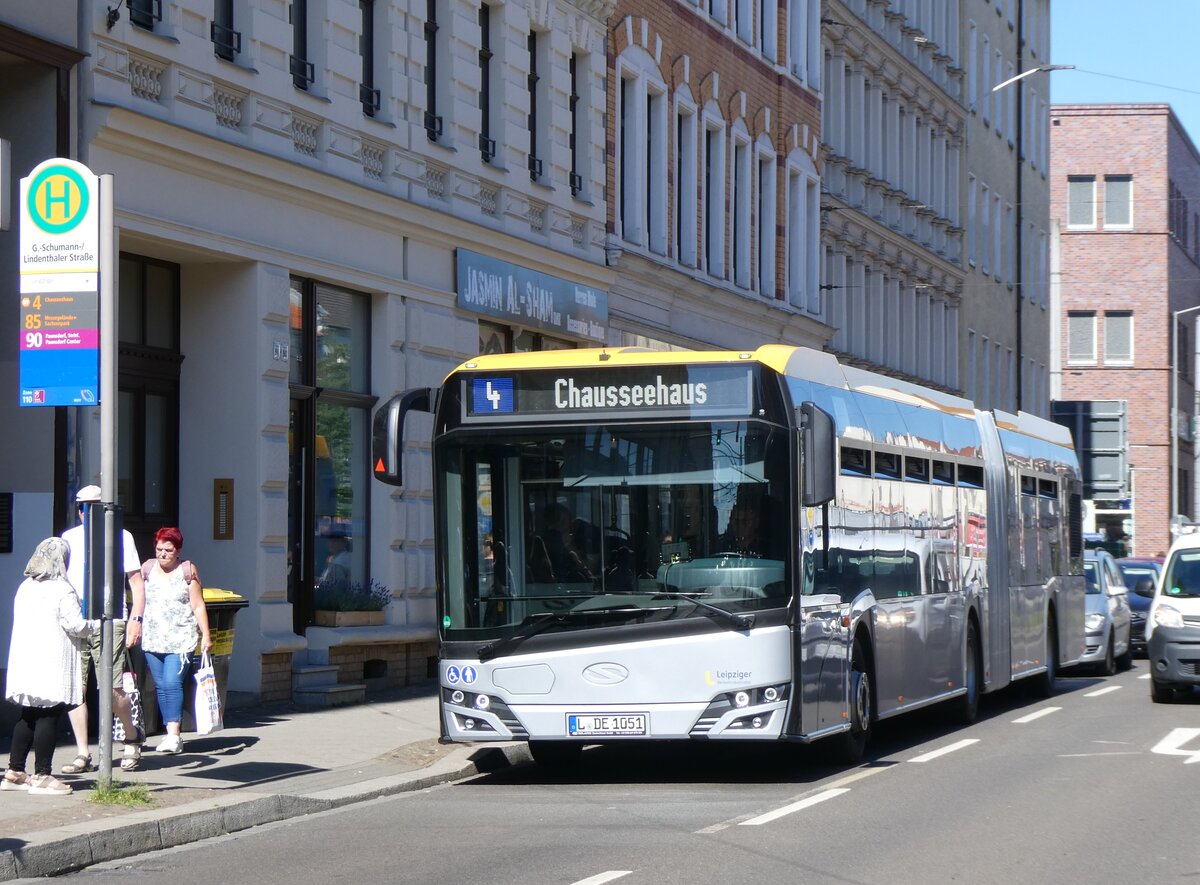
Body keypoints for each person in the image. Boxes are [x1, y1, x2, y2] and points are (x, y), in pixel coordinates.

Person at [60, 484, 145, 775]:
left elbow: (136, 581)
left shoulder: (122, 537)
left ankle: (131, 735)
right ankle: (84, 752)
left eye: (90, 506)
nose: (84, 512)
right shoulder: (69, 538)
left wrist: (136, 619)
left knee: (111, 686)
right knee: (76, 689)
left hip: (111, 619)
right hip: (76, 621)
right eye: (80, 506)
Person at [4, 538, 96, 796]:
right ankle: (43, 775)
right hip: (51, 659)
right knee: (48, 713)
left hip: (26, 659)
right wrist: (98, 626)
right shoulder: (62, 590)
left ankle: (14, 771)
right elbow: (75, 625)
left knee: (28, 714)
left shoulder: (25, 587)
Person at [140, 527, 212, 756]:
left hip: (181, 639)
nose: (162, 554)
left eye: (168, 550)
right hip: (152, 639)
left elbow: (198, 604)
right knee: (161, 687)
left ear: (178, 550)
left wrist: (206, 635)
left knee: (172, 683)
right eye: (159, 549)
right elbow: (139, 599)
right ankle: (169, 732)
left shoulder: (187, 571)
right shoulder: (147, 569)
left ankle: (174, 735)